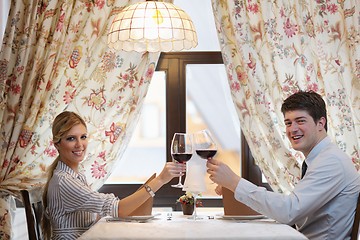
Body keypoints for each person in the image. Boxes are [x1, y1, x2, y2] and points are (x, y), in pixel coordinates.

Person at [207, 91, 360, 240]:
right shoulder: (320, 158)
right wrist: (233, 189)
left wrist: (234, 182)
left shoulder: (331, 162)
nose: (292, 129)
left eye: (300, 121)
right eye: (288, 123)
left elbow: (288, 211)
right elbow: (292, 209)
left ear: (320, 123)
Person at [42, 111, 186, 240]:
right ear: (57, 144)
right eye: (71, 138)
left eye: (83, 137)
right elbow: (119, 209)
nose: (79, 144)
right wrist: (160, 180)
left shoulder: (75, 176)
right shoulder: (65, 181)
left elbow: (103, 211)